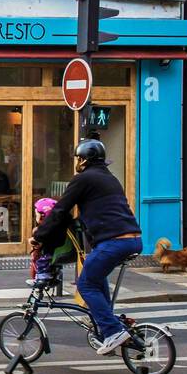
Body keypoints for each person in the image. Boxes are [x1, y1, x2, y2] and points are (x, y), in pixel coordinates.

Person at [31, 139, 142, 355]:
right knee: (96, 278)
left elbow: (61, 210)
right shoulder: (110, 179)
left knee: (86, 285)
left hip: (114, 241)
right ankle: (107, 329)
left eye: (77, 159)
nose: (76, 162)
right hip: (133, 238)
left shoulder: (83, 179)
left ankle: (112, 331)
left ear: (82, 160)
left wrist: (40, 236)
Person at [28, 197, 58, 287]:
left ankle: (42, 278)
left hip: (49, 254)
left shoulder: (43, 229)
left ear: (42, 215)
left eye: (36, 214)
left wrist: (32, 240)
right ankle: (50, 277)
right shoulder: (56, 226)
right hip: (55, 253)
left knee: (41, 262)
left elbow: (38, 240)